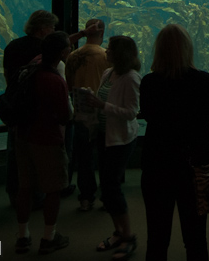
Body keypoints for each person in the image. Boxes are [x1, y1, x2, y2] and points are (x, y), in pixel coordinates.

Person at [139, 23, 209, 261]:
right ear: (188, 48)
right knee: (196, 238)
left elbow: (149, 116)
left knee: (157, 237)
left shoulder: (149, 82)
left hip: (157, 166)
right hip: (193, 166)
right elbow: (206, 118)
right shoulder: (205, 81)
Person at [13, 31, 74, 255]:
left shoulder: (29, 70)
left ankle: (23, 236)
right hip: (47, 140)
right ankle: (48, 238)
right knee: (53, 189)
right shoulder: (55, 80)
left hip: (23, 136)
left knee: (25, 187)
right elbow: (65, 116)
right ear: (63, 53)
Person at [83, 35, 141, 261]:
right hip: (104, 136)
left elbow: (131, 112)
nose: (106, 52)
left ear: (120, 54)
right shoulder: (108, 73)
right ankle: (118, 232)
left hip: (121, 140)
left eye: (110, 49)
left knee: (112, 187)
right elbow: (101, 99)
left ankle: (128, 236)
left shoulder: (132, 78)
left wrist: (102, 105)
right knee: (106, 189)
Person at [3, 9, 59, 205]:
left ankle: (15, 194)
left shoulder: (12, 46)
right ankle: (37, 194)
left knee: (15, 152)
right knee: (38, 153)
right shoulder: (44, 51)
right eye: (52, 27)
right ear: (43, 29)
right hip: (37, 108)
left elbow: (7, 74)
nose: (53, 31)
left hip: (15, 104)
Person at [65, 18, 109, 211]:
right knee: (106, 156)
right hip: (102, 111)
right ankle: (108, 196)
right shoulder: (107, 55)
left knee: (84, 157)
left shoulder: (72, 56)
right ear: (102, 34)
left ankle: (85, 197)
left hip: (81, 112)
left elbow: (68, 85)